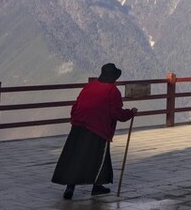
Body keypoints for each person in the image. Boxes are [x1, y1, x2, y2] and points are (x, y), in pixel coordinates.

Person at [52, 63, 137, 199]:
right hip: (98, 128)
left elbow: (76, 105)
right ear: (114, 77)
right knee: (99, 158)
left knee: (76, 156)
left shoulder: (89, 86)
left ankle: (70, 187)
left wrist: (75, 119)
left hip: (79, 126)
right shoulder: (112, 90)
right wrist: (130, 113)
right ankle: (97, 186)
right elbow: (116, 113)